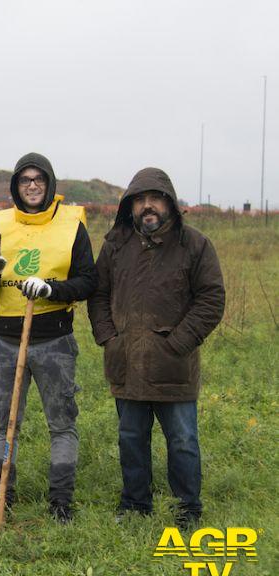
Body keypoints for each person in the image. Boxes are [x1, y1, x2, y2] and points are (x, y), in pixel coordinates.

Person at [88, 167, 225, 528]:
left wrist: (178, 343)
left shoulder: (195, 245)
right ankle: (135, 504)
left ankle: (187, 509)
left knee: (182, 440)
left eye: (155, 198)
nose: (148, 206)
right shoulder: (116, 246)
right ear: (130, 206)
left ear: (169, 202)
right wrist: (108, 337)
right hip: (126, 362)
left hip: (173, 366)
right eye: (140, 200)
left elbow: (211, 299)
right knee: (131, 437)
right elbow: (98, 294)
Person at [0, 153, 97, 523]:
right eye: (24, 180)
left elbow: (88, 280)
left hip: (54, 340)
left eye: (38, 179)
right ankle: (1, 494)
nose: (32, 185)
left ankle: (61, 502)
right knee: (3, 423)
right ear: (16, 186)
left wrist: (52, 290)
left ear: (50, 183)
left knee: (61, 422)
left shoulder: (72, 224)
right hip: (5, 341)